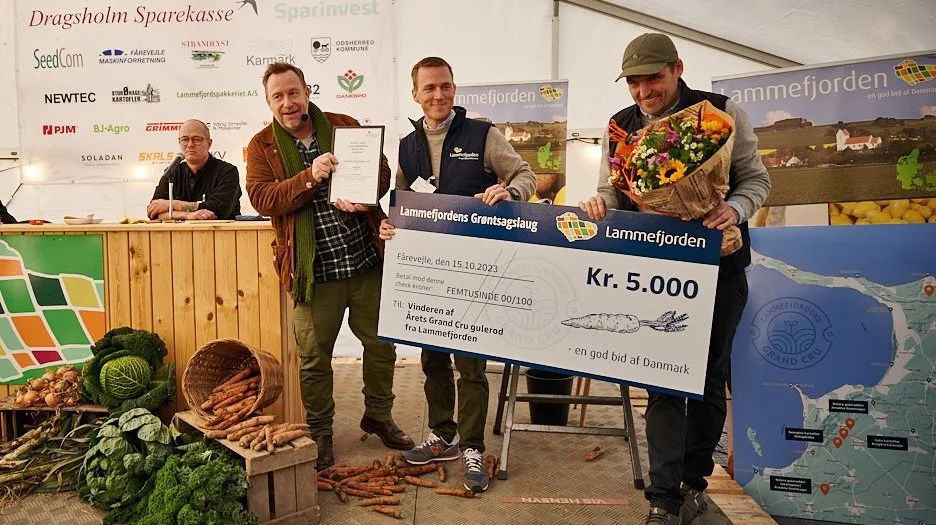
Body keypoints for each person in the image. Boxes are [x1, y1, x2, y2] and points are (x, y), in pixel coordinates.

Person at [578, 33, 770, 525]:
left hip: (722, 269)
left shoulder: (720, 114)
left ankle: (692, 482)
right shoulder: (619, 128)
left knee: (707, 383)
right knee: (661, 381)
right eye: (635, 82)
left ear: (678, 68)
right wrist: (602, 204)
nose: (644, 91)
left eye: (654, 79)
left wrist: (735, 207)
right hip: (656, 272)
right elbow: (612, 189)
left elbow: (757, 179)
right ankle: (663, 499)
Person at [379, 57, 537, 493]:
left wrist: (509, 189)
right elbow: (404, 200)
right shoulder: (408, 145)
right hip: (428, 271)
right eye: (429, 88)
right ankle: (442, 434)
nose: (438, 95)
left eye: (446, 87)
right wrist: (390, 223)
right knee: (432, 357)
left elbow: (526, 174)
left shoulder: (483, 134)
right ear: (415, 94)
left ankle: (471, 445)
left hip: (476, 269)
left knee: (470, 364)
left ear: (455, 89)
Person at [245, 63, 413, 471]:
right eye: (278, 97)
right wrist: (309, 176)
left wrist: (367, 193)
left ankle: (378, 415)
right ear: (269, 102)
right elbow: (262, 198)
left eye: (293, 92)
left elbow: (382, 171)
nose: (288, 103)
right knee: (315, 357)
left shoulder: (343, 125)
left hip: (364, 261)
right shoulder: (261, 146)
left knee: (380, 346)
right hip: (312, 273)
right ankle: (320, 431)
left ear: (306, 91)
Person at [146, 119, 241, 220]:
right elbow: (154, 212)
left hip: (220, 234)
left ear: (209, 143)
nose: (190, 144)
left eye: (196, 139)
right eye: (185, 139)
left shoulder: (227, 171)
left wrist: (171, 205)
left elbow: (220, 209)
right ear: (179, 142)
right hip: (178, 235)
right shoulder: (172, 172)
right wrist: (188, 215)